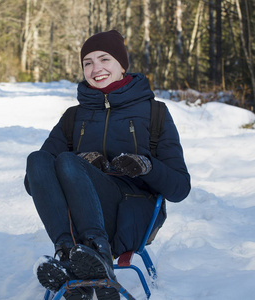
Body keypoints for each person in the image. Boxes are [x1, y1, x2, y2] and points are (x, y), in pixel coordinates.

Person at [24, 30, 190, 300]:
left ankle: (97, 257)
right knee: (38, 158)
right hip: (76, 220)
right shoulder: (73, 117)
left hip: (131, 215)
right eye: (87, 62)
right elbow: (34, 182)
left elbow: (180, 188)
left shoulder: (154, 113)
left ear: (122, 64)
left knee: (67, 161)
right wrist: (82, 166)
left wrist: (146, 166)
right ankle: (68, 254)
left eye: (104, 59)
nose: (95, 68)